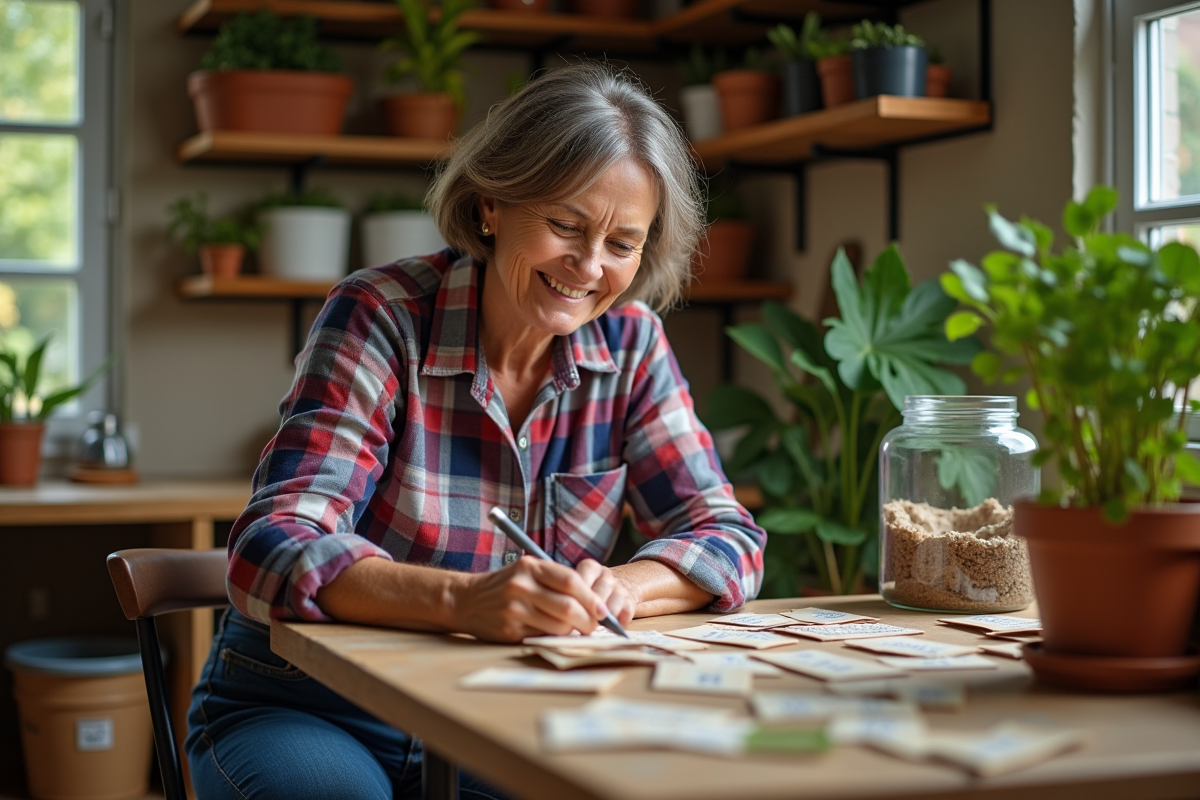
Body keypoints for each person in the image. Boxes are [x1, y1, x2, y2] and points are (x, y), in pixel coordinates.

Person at [186, 62, 766, 800]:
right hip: (311, 704)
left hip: (496, 714)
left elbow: (727, 537)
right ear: (493, 204)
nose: (589, 266)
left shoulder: (631, 345)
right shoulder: (381, 314)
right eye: (566, 225)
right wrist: (463, 602)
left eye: (623, 243)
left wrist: (620, 586)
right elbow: (272, 544)